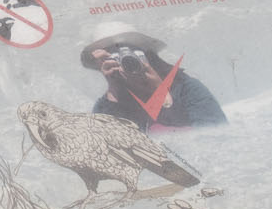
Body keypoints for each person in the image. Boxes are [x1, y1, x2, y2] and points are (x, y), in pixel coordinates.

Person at [80, 28, 226, 132]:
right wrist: (114, 90)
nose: (127, 60)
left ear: (149, 55)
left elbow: (216, 134)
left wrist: (160, 92)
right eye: (114, 55)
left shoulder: (187, 88)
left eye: (132, 51)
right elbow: (103, 149)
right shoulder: (107, 104)